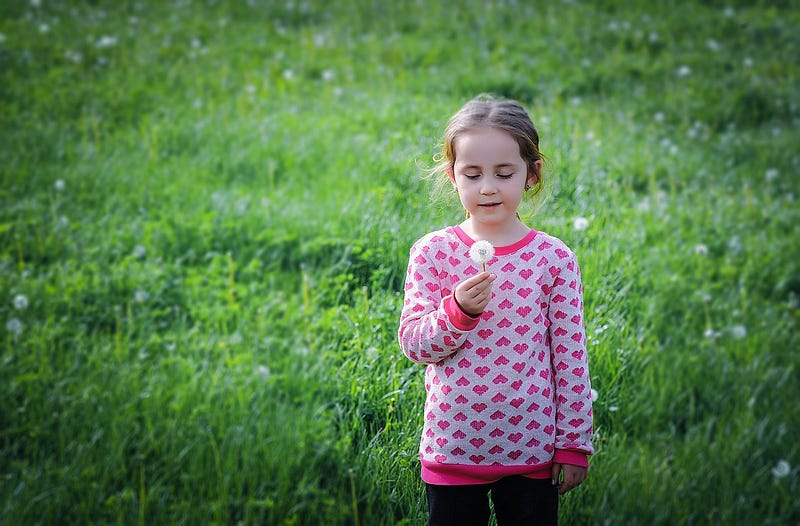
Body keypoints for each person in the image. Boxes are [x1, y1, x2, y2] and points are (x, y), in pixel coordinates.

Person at [398, 95, 593, 526]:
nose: (488, 187)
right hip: (454, 447)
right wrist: (458, 312)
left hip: (532, 451)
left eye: (504, 173)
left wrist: (574, 444)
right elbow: (414, 344)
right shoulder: (433, 252)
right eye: (472, 174)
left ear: (531, 174)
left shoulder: (553, 259)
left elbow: (570, 357)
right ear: (452, 177)